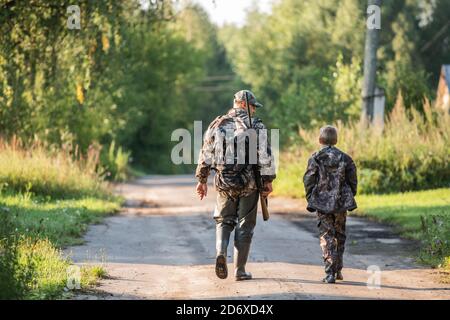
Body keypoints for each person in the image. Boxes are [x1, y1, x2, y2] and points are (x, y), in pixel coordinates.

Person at [195, 90, 276, 281]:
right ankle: (240, 271)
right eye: (253, 106)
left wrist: (202, 180)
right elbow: (265, 155)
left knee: (223, 221)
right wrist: (269, 181)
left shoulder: (217, 124)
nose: (254, 110)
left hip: (224, 182)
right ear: (243, 104)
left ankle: (221, 253)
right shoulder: (256, 125)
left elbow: (206, 154)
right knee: (245, 225)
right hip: (249, 183)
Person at [303, 125, 357, 284]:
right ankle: (338, 269)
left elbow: (308, 179)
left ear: (320, 140)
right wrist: (349, 195)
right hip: (341, 203)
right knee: (340, 235)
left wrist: (310, 197)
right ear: (336, 140)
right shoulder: (346, 158)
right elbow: (353, 180)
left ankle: (329, 273)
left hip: (321, 203)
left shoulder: (315, 158)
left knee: (326, 236)